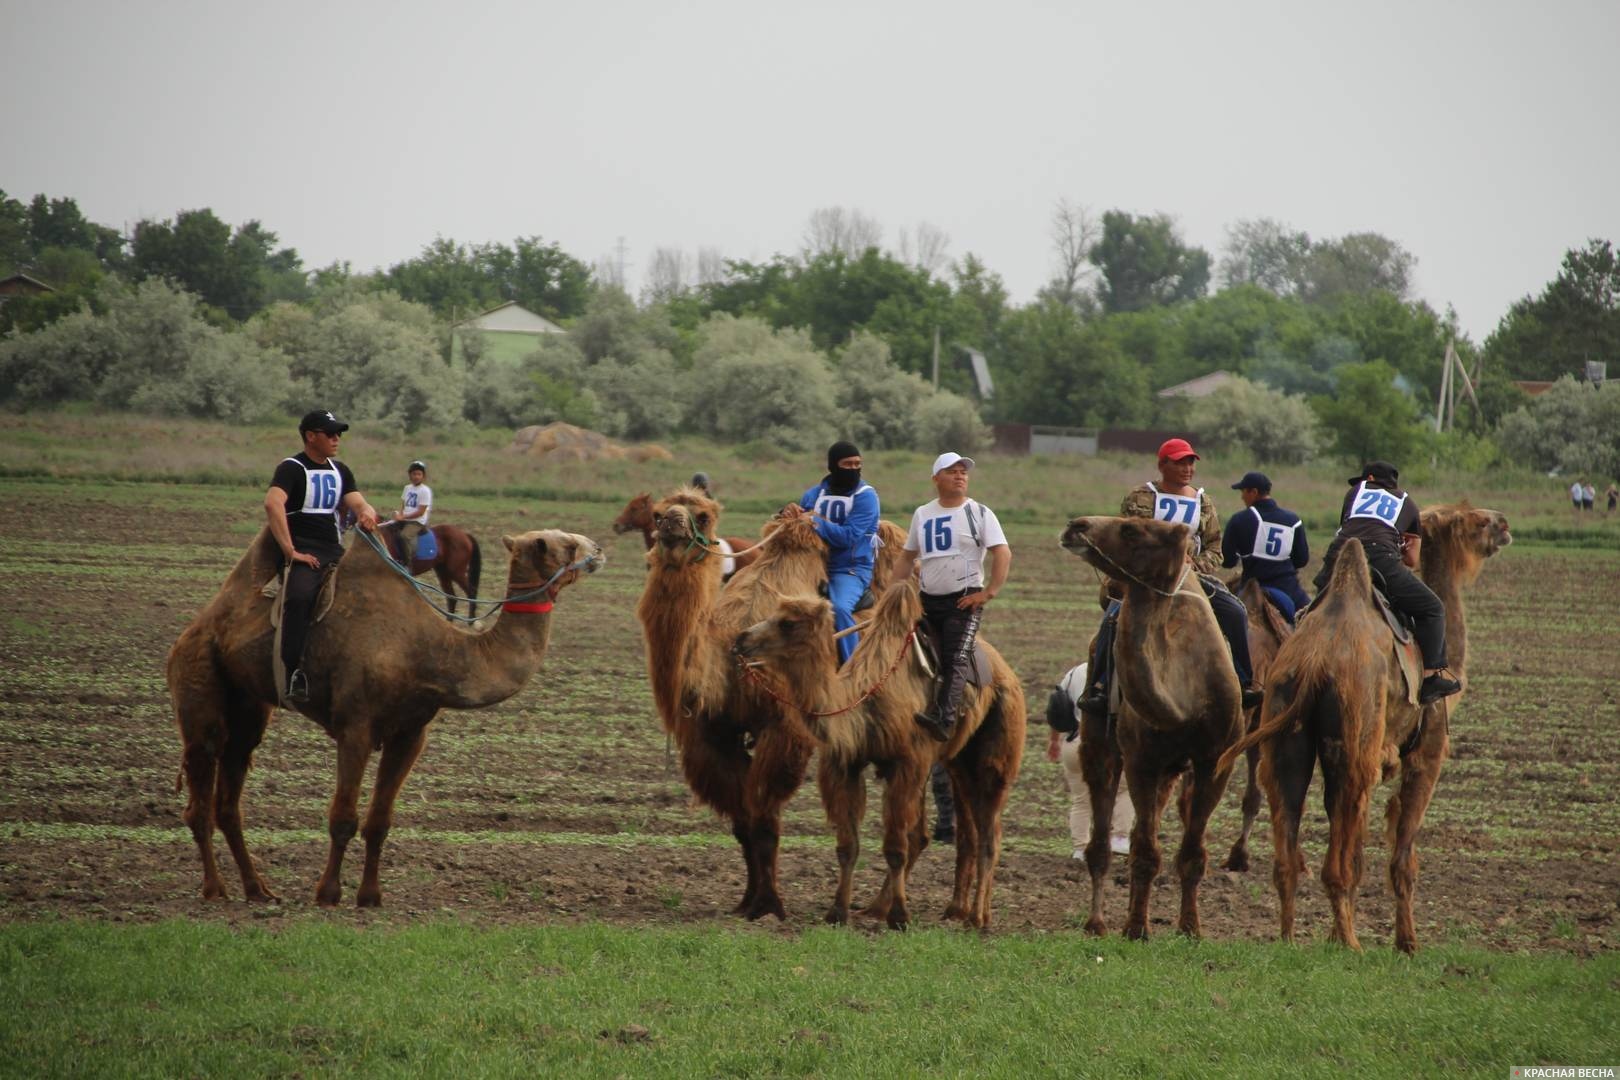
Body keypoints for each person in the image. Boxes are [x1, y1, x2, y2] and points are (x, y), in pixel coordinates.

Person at [1077, 438, 1261, 717]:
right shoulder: (1140, 497)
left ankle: (1243, 682)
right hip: (1145, 579)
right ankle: (1099, 686)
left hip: (1191, 578)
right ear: (1162, 465)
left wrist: (1196, 566)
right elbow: (1127, 540)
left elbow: (1214, 546)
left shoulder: (1203, 501)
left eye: (1190, 462)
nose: (1187, 468)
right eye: (1179, 462)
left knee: (1235, 611)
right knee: (1113, 619)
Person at [1312, 460, 1460, 705]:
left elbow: (1347, 529)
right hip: (1381, 559)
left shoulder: (1354, 493)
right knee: (1433, 608)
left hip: (1340, 555)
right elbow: (1412, 560)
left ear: (1369, 479)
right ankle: (1431, 678)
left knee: (1316, 606)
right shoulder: (1407, 503)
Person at [892, 452, 1011, 742]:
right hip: (927, 600)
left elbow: (1002, 553)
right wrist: (891, 594)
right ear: (936, 479)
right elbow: (907, 558)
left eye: (963, 472)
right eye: (952, 471)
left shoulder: (980, 513)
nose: (960, 476)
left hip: (963, 601)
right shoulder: (923, 513)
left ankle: (943, 719)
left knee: (955, 657)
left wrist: (988, 593)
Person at [265, 410, 379, 704]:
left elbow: (358, 502)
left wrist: (366, 513)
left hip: (335, 551)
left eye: (338, 433)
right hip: (304, 551)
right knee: (301, 597)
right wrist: (291, 552)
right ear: (310, 436)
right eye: (330, 433)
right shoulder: (290, 468)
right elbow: (273, 503)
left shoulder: (340, 471)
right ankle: (293, 672)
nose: (336, 438)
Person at [784, 441, 880, 664]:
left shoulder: (866, 497)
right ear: (833, 466)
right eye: (848, 464)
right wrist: (788, 513)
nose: (854, 469)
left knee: (838, 609)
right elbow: (800, 524)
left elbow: (848, 537)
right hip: (812, 566)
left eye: (858, 464)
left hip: (850, 570)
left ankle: (851, 669)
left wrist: (814, 520)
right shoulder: (814, 494)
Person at [1046, 662, 1131, 857]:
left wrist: (1054, 741)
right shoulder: (1120, 671)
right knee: (1123, 791)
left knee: (1081, 799)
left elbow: (1057, 706)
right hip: (1109, 744)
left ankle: (1080, 848)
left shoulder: (1073, 672)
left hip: (1073, 742)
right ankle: (1119, 837)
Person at [1221, 471, 1310, 623]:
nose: (1242, 496)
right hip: (1288, 589)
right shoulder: (1293, 520)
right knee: (1310, 621)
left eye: (1243, 492)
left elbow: (1229, 561)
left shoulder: (1239, 520)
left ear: (1253, 492)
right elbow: (1301, 560)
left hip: (1252, 588)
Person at [384, 460, 433, 561]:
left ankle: (407, 563)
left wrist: (403, 517)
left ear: (423, 476)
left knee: (403, 536)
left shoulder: (425, 491)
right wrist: (399, 514)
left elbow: (421, 512)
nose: (416, 476)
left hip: (417, 522)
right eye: (414, 474)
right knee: (387, 529)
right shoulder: (407, 488)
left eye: (419, 474)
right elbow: (403, 505)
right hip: (405, 518)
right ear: (410, 475)